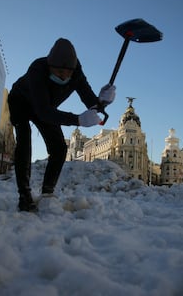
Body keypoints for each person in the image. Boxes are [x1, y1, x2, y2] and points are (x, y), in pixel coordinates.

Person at [8, 38, 116, 212]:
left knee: (59, 148)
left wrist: (102, 101)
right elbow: (43, 112)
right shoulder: (38, 68)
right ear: (50, 65)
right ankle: (24, 195)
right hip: (20, 102)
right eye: (59, 72)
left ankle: (47, 194)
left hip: (46, 108)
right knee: (24, 141)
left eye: (68, 72)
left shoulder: (76, 73)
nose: (64, 76)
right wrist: (78, 120)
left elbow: (90, 100)